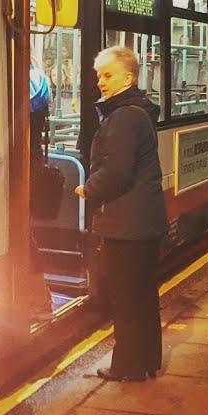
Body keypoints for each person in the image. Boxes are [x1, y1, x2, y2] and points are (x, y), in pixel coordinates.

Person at [74, 46, 166, 382]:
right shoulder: (136, 111)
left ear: (128, 77)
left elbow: (117, 171)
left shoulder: (124, 115)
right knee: (143, 296)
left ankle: (127, 366)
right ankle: (145, 362)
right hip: (143, 221)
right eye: (99, 75)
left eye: (108, 75)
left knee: (125, 298)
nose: (101, 82)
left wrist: (88, 189)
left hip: (127, 225)